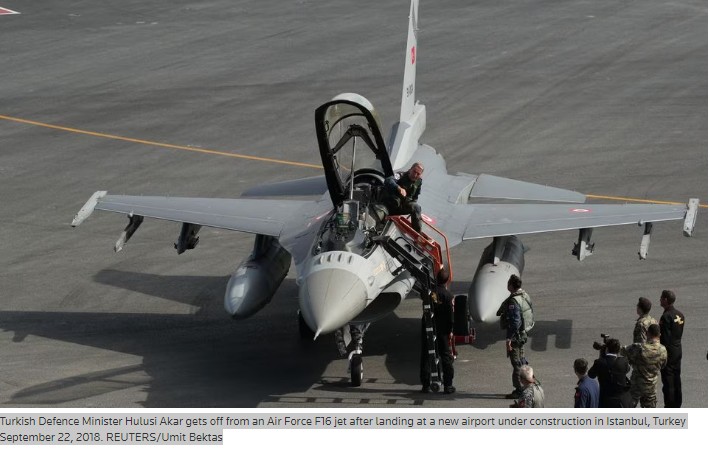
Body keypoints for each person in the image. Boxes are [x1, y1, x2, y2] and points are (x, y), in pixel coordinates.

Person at [420, 268, 455, 394]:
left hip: (428, 328)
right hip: (443, 330)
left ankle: (425, 385)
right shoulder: (448, 296)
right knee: (446, 357)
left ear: (436, 278)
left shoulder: (430, 293)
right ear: (447, 280)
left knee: (426, 356)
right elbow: (450, 316)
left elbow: (423, 296)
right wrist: (451, 330)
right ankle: (448, 385)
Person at [498, 274, 533, 399]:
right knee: (521, 361)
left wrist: (509, 339)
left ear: (511, 286)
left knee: (516, 364)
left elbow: (515, 322)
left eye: (508, 283)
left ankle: (519, 389)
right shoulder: (524, 296)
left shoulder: (513, 301)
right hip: (523, 334)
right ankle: (526, 384)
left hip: (516, 337)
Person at [622, 323, 667, 408]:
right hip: (651, 387)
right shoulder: (663, 350)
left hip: (636, 386)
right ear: (659, 335)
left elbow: (622, 351)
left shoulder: (639, 348)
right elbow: (663, 365)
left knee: (628, 408)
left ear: (647, 333)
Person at [588, 338, 633, 408]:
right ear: (618, 350)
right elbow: (627, 369)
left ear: (606, 349)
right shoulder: (624, 362)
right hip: (621, 401)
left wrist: (601, 356)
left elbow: (591, 375)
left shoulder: (599, 362)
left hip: (605, 401)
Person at [659, 289, 685, 407]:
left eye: (661, 298)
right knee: (676, 377)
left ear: (665, 300)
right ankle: (678, 402)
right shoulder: (680, 314)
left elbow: (664, 338)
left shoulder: (666, 317)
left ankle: (670, 405)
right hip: (678, 349)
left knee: (668, 380)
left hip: (669, 352)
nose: (660, 300)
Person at [383, 162, 424, 232]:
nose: (415, 175)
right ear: (410, 169)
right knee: (394, 201)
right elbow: (388, 180)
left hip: (402, 206)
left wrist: (417, 214)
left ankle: (417, 234)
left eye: (418, 174)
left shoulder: (419, 181)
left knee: (416, 208)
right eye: (414, 171)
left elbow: (415, 197)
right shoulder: (401, 175)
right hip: (390, 204)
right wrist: (398, 188)